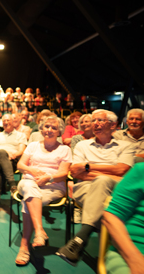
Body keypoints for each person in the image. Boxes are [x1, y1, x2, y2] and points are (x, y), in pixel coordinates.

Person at [56, 109, 135, 266]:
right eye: (93, 121)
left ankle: (81, 238)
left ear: (113, 125)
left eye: (100, 120)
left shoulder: (126, 146)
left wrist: (88, 167)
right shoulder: (82, 145)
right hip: (84, 188)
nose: (95, 124)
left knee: (102, 181)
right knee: (103, 188)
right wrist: (103, 172)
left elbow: (122, 171)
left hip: (116, 190)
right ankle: (107, 257)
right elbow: (75, 172)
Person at [15, 116, 71, 265]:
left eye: (54, 128)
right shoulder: (33, 145)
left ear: (60, 131)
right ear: (41, 129)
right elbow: (20, 165)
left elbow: (64, 174)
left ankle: (24, 246)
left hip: (53, 187)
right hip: (29, 181)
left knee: (28, 200)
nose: (49, 130)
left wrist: (49, 178)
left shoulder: (65, 149)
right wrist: (31, 170)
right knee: (29, 187)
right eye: (46, 127)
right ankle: (39, 231)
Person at [102, 163, 144, 274]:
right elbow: (112, 216)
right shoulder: (141, 170)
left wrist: (88, 168)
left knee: (101, 180)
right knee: (101, 181)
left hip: (111, 182)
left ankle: (83, 235)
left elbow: (121, 169)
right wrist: (135, 260)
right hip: (135, 249)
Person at [0, 114, 27, 217]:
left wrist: (12, 155)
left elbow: (21, 151)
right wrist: (5, 153)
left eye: (8, 120)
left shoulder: (20, 135)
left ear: (13, 122)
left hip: (12, 160)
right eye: (4, 120)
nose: (6, 122)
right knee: (1, 152)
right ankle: (12, 184)